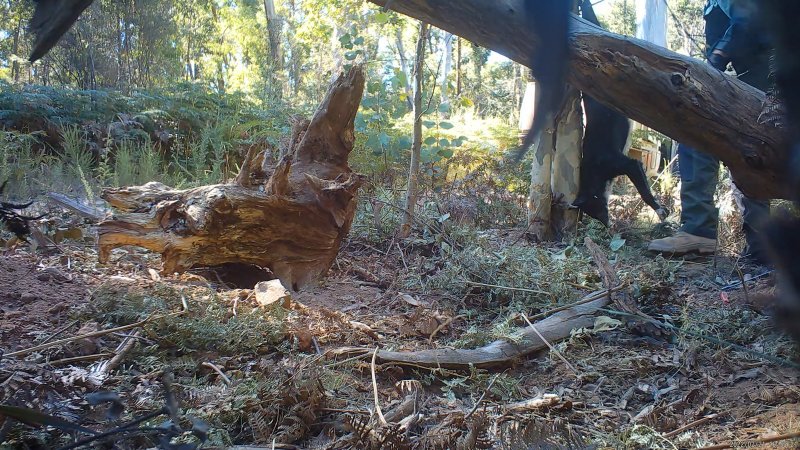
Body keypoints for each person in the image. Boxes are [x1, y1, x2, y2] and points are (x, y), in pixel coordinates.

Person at [648, 0, 772, 265]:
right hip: (755, 71)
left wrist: (715, 61)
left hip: (754, 69)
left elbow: (748, 19)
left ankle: (700, 229)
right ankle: (759, 248)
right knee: (750, 148)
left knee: (698, 130)